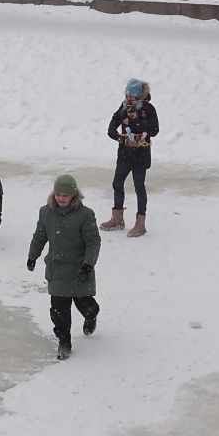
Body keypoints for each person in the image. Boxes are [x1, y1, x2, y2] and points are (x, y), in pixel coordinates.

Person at [27, 173, 101, 361]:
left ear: (74, 196)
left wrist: (87, 265)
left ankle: (91, 316)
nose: (61, 198)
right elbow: (40, 236)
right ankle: (64, 342)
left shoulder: (85, 215)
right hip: (57, 268)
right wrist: (32, 256)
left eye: (65, 195)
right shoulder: (46, 212)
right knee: (58, 310)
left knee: (87, 305)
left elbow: (93, 242)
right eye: (58, 194)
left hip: (78, 269)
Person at [104, 79, 158, 237]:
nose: (129, 99)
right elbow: (114, 121)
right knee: (117, 183)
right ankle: (117, 218)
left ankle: (140, 224)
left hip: (140, 154)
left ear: (141, 97)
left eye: (133, 96)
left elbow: (154, 129)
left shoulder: (148, 109)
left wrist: (139, 127)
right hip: (125, 154)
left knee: (139, 187)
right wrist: (114, 132)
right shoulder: (123, 107)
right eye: (127, 95)